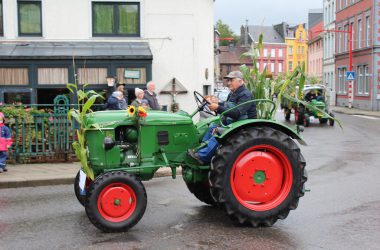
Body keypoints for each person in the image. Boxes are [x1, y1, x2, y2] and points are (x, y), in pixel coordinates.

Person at [188, 71, 257, 165]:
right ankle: (201, 149)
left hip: (243, 124)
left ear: (240, 81)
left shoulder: (245, 95)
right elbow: (227, 108)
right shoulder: (232, 94)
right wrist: (215, 104)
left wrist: (218, 108)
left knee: (219, 132)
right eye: (228, 80)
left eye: (231, 80)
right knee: (212, 127)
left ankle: (203, 157)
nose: (228, 83)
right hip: (233, 122)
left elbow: (237, 113)